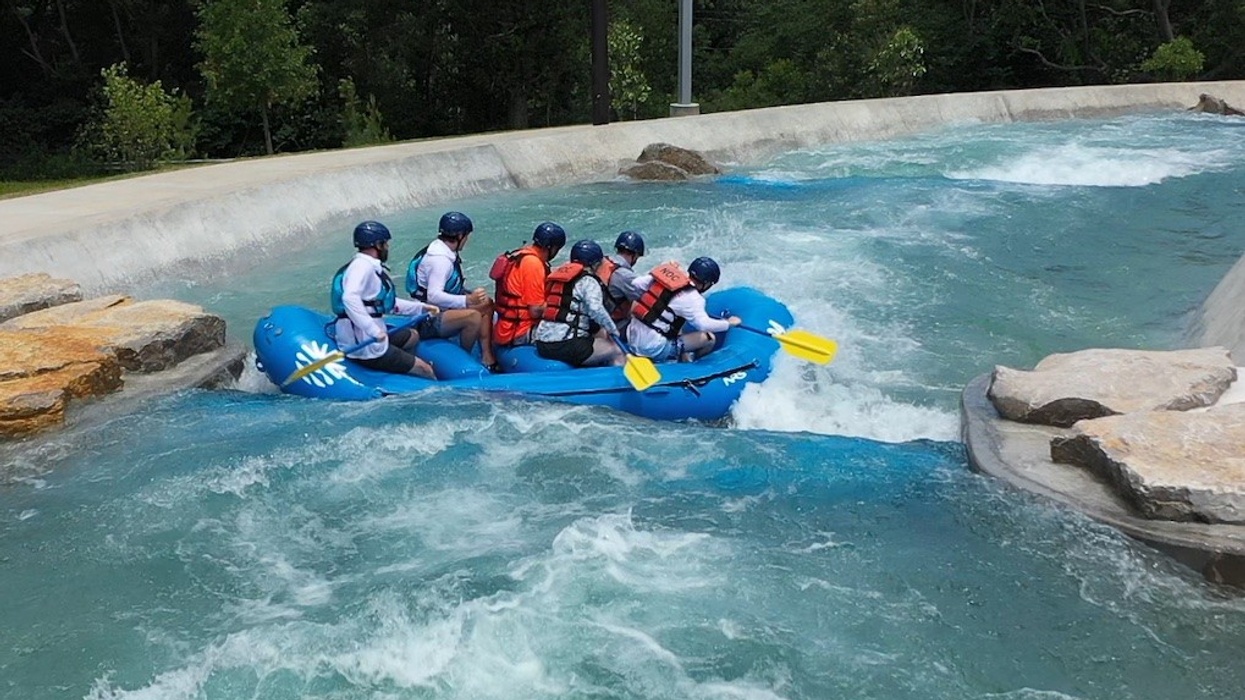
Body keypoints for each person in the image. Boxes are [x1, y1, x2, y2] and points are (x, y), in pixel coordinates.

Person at [331, 220, 439, 378]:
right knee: (426, 370)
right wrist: (372, 330)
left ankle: (402, 370)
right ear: (378, 245)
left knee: (413, 336)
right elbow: (349, 298)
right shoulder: (362, 267)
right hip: (364, 346)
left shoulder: (368, 266)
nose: (388, 247)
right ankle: (415, 374)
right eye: (386, 244)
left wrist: (422, 308)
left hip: (372, 335)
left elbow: (385, 303)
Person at [406, 211, 499, 370]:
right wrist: (467, 300)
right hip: (427, 317)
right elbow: (433, 296)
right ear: (460, 236)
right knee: (473, 316)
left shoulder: (444, 251)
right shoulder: (440, 260)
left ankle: (487, 356)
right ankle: (463, 357)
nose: (467, 241)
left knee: (487, 304)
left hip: (442, 309)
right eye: (467, 236)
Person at [626, 256, 742, 362]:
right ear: (706, 284)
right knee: (709, 338)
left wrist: (664, 269)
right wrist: (729, 323)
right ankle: (692, 368)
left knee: (678, 323)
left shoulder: (663, 278)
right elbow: (704, 325)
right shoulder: (694, 298)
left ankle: (682, 356)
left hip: (631, 337)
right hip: (652, 349)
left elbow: (635, 283)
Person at [533, 240, 625, 367]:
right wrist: (613, 330)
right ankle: (618, 384)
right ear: (594, 264)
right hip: (565, 345)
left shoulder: (557, 278)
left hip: (541, 342)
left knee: (599, 335)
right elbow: (595, 309)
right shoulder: (588, 281)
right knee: (616, 350)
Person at [491, 221, 566, 348]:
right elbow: (535, 310)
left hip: (506, 327)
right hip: (519, 331)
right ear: (550, 248)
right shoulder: (533, 264)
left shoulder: (520, 254)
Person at [596, 230, 646, 333]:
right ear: (635, 255)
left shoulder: (602, 261)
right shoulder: (625, 276)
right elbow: (646, 297)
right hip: (613, 323)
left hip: (595, 318)